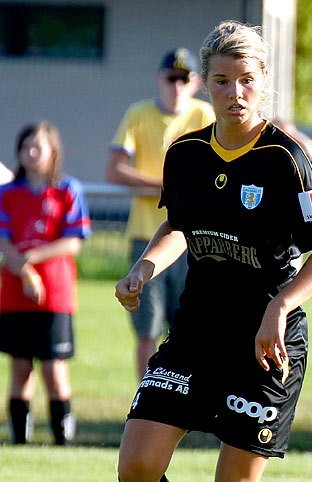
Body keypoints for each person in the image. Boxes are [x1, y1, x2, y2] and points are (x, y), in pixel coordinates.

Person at [114, 20, 312, 482]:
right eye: (222, 80)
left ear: (263, 81)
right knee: (136, 466)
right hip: (195, 335)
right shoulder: (185, 152)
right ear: (205, 85)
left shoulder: (287, 160)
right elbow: (178, 227)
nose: (235, 91)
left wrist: (280, 305)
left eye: (247, 80)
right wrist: (143, 267)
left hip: (265, 348)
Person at [107, 47, 215, 379]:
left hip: (193, 240)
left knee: (190, 324)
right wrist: (167, 187)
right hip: (145, 235)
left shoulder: (205, 115)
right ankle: (147, 397)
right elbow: (115, 169)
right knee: (146, 328)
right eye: (171, 78)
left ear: (196, 82)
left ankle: (188, 394)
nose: (177, 85)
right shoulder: (138, 113)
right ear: (159, 79)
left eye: (184, 78)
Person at [0, 122, 90, 445]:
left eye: (39, 147)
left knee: (54, 370)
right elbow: (4, 241)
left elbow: (72, 242)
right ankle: (19, 440)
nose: (32, 153)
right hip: (15, 293)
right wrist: (24, 273)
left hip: (55, 293)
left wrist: (32, 258)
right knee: (21, 368)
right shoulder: (8, 193)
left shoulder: (68, 189)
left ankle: (62, 439)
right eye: (26, 147)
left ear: (54, 151)